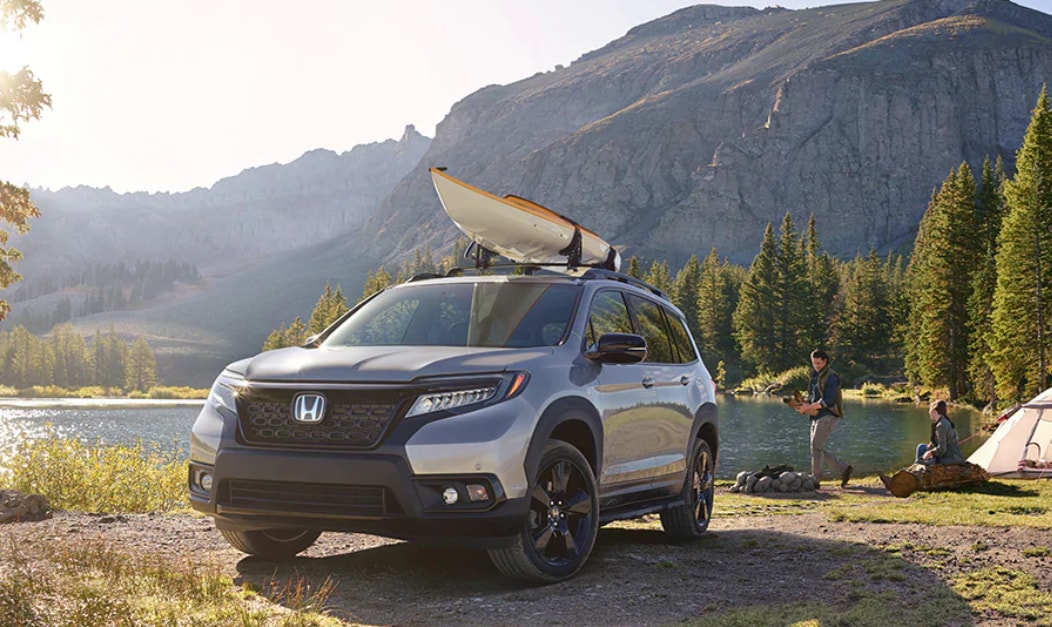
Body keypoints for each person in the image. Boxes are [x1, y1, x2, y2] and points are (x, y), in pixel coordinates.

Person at [879, 399, 966, 492]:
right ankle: (907, 474)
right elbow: (937, 442)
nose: (929, 412)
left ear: (935, 411)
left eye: (930, 409)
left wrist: (930, 453)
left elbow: (942, 449)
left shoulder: (942, 425)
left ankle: (902, 481)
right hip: (947, 454)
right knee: (921, 447)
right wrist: (929, 448)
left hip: (951, 457)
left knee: (922, 462)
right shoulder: (942, 422)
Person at [796, 349, 853, 487]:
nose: (816, 365)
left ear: (825, 361)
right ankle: (844, 469)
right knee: (816, 447)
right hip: (816, 415)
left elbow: (827, 401)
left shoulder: (832, 377)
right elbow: (813, 397)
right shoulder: (815, 376)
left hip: (828, 414)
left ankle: (816, 479)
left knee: (816, 447)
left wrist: (808, 408)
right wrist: (803, 404)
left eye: (819, 363)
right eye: (814, 363)